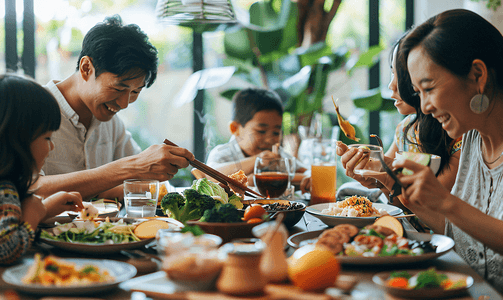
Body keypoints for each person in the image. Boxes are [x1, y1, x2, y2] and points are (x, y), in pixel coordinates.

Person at [361, 9, 503, 292]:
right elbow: (467, 240)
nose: (423, 107)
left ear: (478, 74)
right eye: (418, 92)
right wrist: (393, 184)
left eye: (428, 88)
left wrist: (447, 202)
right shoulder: (474, 138)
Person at [34, 15, 194, 201]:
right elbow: (28, 190)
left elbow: (141, 179)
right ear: (86, 68)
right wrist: (130, 168)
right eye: (119, 89)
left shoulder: (110, 122)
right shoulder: (31, 109)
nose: (124, 104)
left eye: (135, 92)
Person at [301, 38, 462, 200]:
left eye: (403, 75)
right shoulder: (405, 129)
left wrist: (385, 168)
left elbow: (435, 205)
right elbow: (394, 201)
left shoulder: (459, 134)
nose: (391, 85)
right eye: (393, 73)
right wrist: (374, 178)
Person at [0, 74, 84, 265]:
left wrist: (44, 210)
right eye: (47, 138)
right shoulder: (4, 189)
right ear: (17, 141)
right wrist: (32, 218)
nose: (51, 147)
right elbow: (6, 249)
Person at [206, 88, 306, 183]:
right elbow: (208, 175)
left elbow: (307, 173)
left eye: (276, 132)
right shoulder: (223, 153)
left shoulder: (278, 156)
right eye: (261, 131)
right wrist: (257, 160)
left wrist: (256, 178)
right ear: (235, 128)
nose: (269, 140)